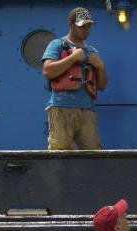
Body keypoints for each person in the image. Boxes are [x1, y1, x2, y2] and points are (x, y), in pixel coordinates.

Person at [42, 7, 108, 150]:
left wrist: (101, 67)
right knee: (60, 153)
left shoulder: (93, 51)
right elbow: (47, 71)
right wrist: (72, 58)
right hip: (61, 108)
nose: (86, 29)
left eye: (88, 26)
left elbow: (102, 86)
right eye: (81, 26)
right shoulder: (57, 44)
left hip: (87, 110)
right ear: (71, 25)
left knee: (93, 154)